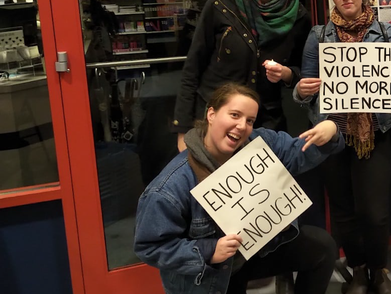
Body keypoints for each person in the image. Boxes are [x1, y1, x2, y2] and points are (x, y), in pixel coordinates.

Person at [134, 83, 343, 294]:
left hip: (254, 252)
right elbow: (150, 247)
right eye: (234, 115)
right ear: (211, 114)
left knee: (322, 247)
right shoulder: (170, 185)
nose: (242, 126)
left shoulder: (260, 143)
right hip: (211, 274)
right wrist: (210, 251)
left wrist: (330, 131)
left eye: (250, 120)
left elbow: (299, 153)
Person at [293, 0, 391, 294]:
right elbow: (304, 91)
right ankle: (358, 269)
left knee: (375, 212)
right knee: (343, 209)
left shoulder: (387, 35)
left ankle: (379, 271)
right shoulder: (319, 36)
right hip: (332, 136)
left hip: (376, 132)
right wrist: (302, 90)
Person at [174, 0, 312, 150]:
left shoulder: (298, 16)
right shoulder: (220, 6)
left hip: (265, 123)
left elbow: (302, 71)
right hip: (217, 121)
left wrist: (287, 74)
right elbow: (192, 69)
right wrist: (183, 129)